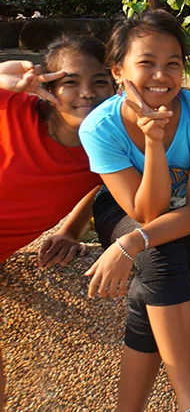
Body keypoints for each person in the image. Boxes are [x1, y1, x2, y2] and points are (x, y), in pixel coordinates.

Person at [78, 9, 190, 412]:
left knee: (150, 278)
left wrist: (129, 244)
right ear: (117, 70)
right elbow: (146, 211)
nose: (161, 76)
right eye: (146, 63)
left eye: (173, 64)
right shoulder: (99, 127)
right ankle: (189, 401)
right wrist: (153, 142)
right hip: (124, 208)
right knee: (159, 257)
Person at [0, 36, 116, 407]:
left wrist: (70, 229)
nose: (87, 93)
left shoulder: (108, 146)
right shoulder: (11, 107)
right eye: (70, 82)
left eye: (100, 81)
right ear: (47, 87)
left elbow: (96, 183)